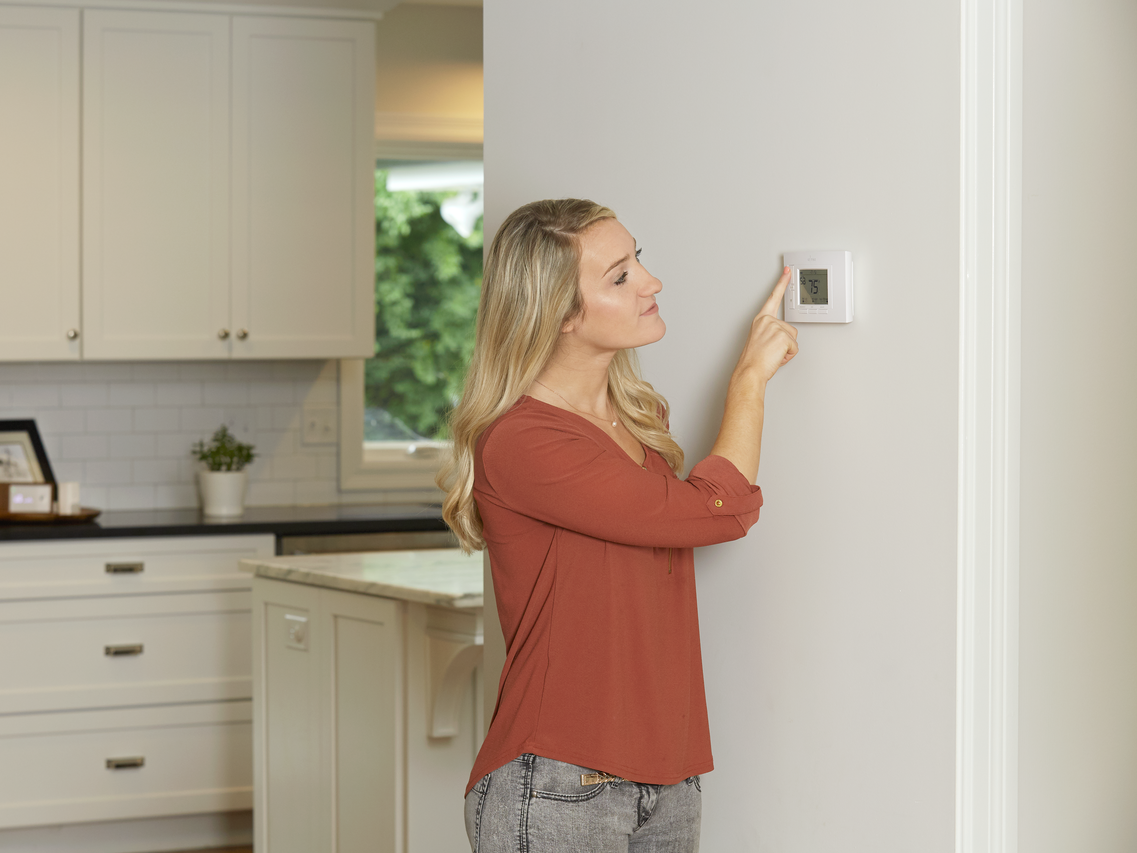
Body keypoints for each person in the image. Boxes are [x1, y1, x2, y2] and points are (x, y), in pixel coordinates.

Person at [437, 199, 798, 853]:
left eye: (639, 260)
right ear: (560, 315)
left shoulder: (637, 417)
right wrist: (749, 378)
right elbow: (717, 511)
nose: (650, 282)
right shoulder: (523, 441)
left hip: (667, 775)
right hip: (559, 778)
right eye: (619, 275)